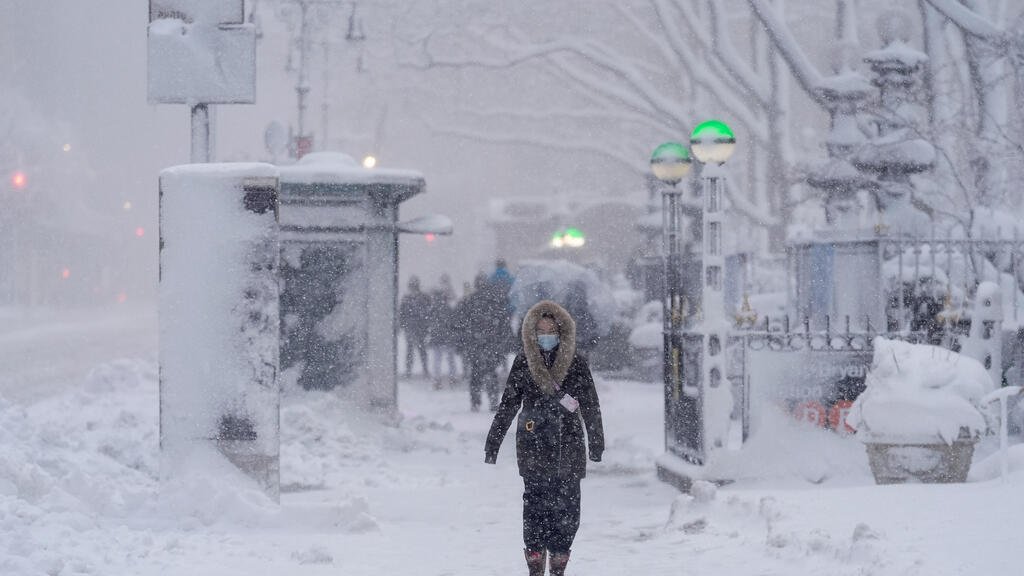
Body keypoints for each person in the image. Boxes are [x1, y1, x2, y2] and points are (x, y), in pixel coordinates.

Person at [485, 300, 604, 576]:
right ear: (531, 333)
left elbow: (590, 404)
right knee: (535, 507)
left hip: (569, 445)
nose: (546, 336)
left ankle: (559, 563)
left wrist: (596, 443)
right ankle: (536, 563)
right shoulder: (523, 363)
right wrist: (493, 442)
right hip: (533, 444)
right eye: (540, 331)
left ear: (561, 332)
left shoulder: (576, 363)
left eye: (551, 330)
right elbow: (508, 404)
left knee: (568, 509)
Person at [457, 273, 510, 411]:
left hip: (475, 343)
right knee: (491, 372)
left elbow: (460, 323)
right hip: (491, 343)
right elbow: (503, 322)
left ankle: (475, 402)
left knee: (476, 374)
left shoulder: (469, 301)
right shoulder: (494, 300)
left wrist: (464, 341)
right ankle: (493, 401)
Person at [427, 273, 459, 389]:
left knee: (437, 359)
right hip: (447, 336)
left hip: (437, 336)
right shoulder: (448, 308)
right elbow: (453, 322)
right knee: (450, 357)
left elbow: (429, 321)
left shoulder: (433, 308)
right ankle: (452, 376)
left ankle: (436, 379)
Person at [399, 276, 432, 377]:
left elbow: (402, 313)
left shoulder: (407, 298)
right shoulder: (423, 297)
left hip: (414, 326)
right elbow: (429, 312)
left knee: (413, 349)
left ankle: (412, 370)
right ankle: (423, 370)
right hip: (418, 326)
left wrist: (401, 325)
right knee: (419, 349)